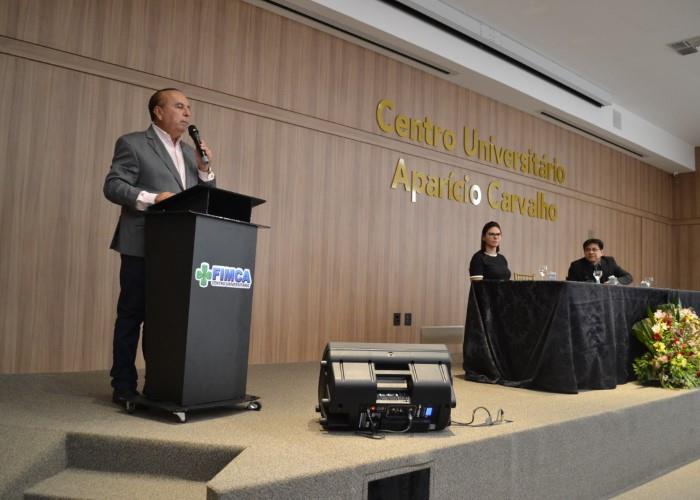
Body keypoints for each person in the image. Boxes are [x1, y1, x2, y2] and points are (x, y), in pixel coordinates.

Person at [103, 88, 216, 405]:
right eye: (179, 106)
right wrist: (153, 198)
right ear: (158, 111)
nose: (187, 113)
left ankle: (158, 384)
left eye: (189, 108)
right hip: (142, 244)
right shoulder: (134, 144)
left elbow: (205, 198)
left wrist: (204, 170)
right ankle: (123, 384)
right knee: (131, 315)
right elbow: (113, 185)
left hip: (177, 248)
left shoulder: (190, 154)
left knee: (164, 319)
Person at [566, 238, 633, 284]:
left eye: (594, 249)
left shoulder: (609, 262)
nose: (591, 252)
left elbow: (628, 277)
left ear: (601, 252)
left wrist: (616, 281)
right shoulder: (576, 266)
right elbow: (570, 285)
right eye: (587, 250)